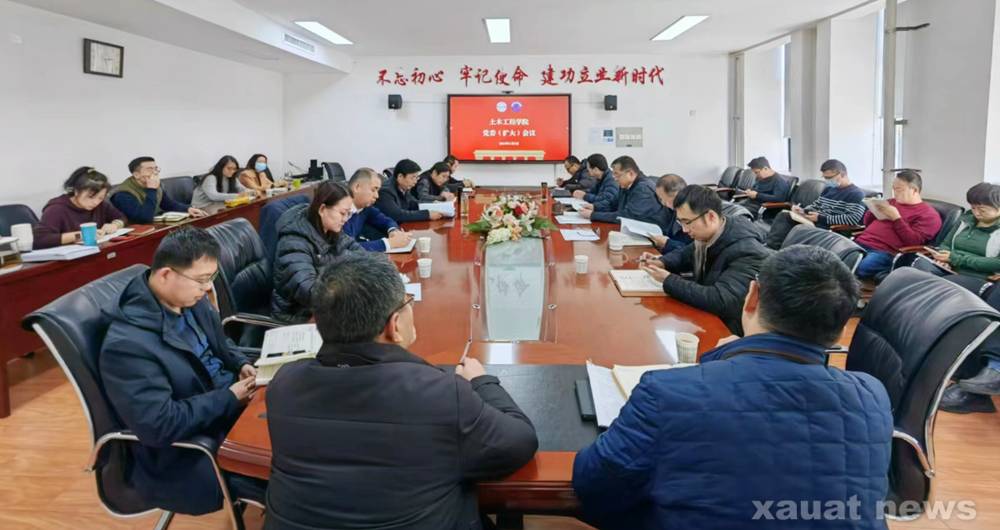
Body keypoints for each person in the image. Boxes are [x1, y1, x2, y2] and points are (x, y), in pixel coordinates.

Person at [574, 245, 893, 529]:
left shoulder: (667, 392)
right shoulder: (872, 396)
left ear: (751, 296)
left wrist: (718, 363)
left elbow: (593, 486)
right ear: (840, 333)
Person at [264, 252, 538, 530]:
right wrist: (481, 382)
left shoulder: (284, 384)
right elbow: (520, 443)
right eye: (409, 303)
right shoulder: (441, 395)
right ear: (394, 326)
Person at [100, 227, 265, 515]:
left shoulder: (188, 298)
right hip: (200, 437)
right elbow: (159, 425)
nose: (207, 289)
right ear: (165, 274)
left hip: (228, 402)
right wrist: (228, 398)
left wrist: (240, 363)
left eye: (210, 280)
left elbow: (219, 341)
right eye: (201, 280)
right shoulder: (127, 345)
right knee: (291, 450)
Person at [910, 183, 1000, 414]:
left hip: (982, 280)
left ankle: (982, 377)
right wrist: (944, 258)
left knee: (953, 294)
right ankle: (926, 358)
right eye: (974, 206)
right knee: (915, 272)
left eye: (984, 208)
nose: (977, 212)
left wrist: (958, 258)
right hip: (958, 271)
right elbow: (946, 245)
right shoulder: (965, 220)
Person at [640, 185, 771, 336]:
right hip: (706, 314)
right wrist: (662, 261)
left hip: (729, 329)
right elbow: (687, 253)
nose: (684, 229)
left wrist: (669, 280)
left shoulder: (748, 251)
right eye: (681, 222)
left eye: (687, 222)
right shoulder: (711, 234)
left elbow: (722, 300)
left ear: (711, 216)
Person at [271, 181, 364, 324]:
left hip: (323, 311)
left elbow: (361, 255)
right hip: (297, 318)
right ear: (322, 210)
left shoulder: (331, 230)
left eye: (348, 214)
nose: (345, 219)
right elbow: (310, 292)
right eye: (342, 213)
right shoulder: (294, 241)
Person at [853, 170, 942, 281]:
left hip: (885, 252)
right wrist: (872, 210)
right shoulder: (891, 202)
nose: (895, 193)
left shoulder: (929, 215)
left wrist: (896, 218)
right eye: (894, 189)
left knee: (853, 267)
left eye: (899, 189)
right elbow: (867, 224)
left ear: (914, 190)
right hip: (860, 242)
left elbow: (914, 242)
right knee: (831, 258)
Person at [765, 159, 867, 249]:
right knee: (784, 215)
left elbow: (853, 219)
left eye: (829, 177)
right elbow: (816, 205)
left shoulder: (856, 194)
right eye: (825, 178)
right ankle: (771, 246)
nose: (827, 181)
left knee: (798, 229)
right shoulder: (829, 189)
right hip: (816, 221)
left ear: (842, 175)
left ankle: (779, 250)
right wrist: (803, 210)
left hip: (831, 227)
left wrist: (820, 218)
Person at [33, 167, 128, 249]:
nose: (95, 202)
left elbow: (121, 218)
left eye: (100, 197)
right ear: (77, 192)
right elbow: (39, 239)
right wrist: (80, 235)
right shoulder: (57, 208)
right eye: (90, 197)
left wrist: (115, 225)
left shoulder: (101, 205)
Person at [111, 157, 208, 224]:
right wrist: (151, 189)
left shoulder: (155, 185)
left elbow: (167, 203)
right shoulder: (123, 194)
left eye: (156, 168)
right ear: (136, 175)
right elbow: (144, 218)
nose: (155, 173)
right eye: (150, 170)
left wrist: (188, 209)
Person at [579, 156, 664, 225]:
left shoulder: (643, 189)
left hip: (651, 236)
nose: (616, 180)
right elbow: (613, 205)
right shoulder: (625, 185)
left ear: (630, 173)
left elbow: (626, 216)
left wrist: (593, 215)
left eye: (618, 176)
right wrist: (594, 207)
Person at [343, 168, 412, 252]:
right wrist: (389, 243)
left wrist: (393, 230)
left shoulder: (365, 207)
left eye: (377, 191)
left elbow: (386, 220)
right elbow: (347, 248)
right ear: (357, 187)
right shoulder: (340, 212)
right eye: (373, 190)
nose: (377, 196)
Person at [374, 159, 445, 225]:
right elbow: (397, 215)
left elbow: (413, 203)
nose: (415, 181)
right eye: (412, 178)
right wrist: (427, 214)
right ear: (400, 176)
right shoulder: (386, 191)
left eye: (416, 178)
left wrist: (432, 205)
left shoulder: (403, 187)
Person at [735, 156, 792, 220]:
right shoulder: (760, 178)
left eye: (757, 172)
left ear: (765, 168)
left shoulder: (779, 181)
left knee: (734, 214)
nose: (756, 175)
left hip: (762, 208)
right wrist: (750, 191)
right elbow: (754, 189)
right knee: (728, 208)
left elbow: (779, 198)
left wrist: (757, 195)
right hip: (749, 203)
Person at [191, 155, 258, 209]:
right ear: (221, 167)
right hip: (202, 207)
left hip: (218, 205)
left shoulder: (232, 178)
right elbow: (213, 196)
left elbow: (241, 189)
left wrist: (252, 192)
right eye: (229, 169)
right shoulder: (211, 178)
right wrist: (237, 196)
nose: (232, 171)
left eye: (234, 169)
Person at [649, 174, 694, 254]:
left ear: (677, 195)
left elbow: (692, 252)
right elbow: (673, 235)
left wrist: (667, 243)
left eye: (664, 199)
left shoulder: (694, 214)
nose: (663, 203)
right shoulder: (676, 208)